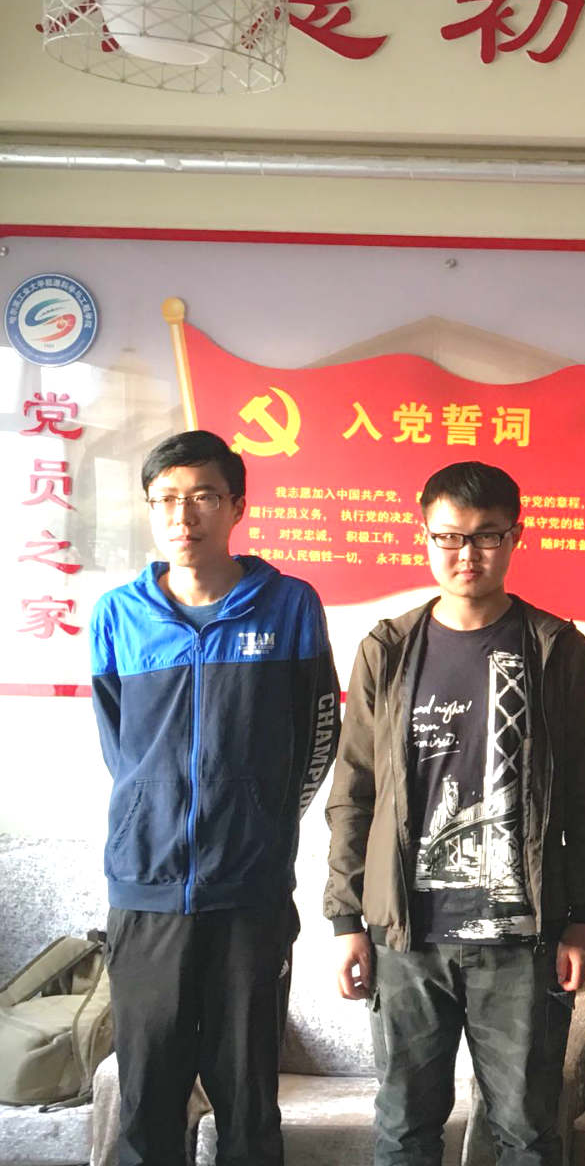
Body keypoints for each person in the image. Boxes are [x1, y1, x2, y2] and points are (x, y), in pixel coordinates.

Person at [323, 461, 585, 1166]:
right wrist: (346, 921)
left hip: (524, 942)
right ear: (423, 534)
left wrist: (583, 915)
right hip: (407, 937)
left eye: (487, 536)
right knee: (404, 1126)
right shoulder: (388, 649)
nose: (467, 554)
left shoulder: (553, 647)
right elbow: (354, 791)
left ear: (517, 536)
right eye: (449, 536)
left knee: (527, 1131)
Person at [90, 430, 340, 1166]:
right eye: (166, 498)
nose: (183, 514)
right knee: (146, 1102)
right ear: (150, 508)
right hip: (146, 888)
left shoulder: (289, 605)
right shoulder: (118, 614)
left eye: (202, 496)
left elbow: (317, 733)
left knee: (249, 1102)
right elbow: (119, 746)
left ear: (236, 506)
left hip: (249, 891)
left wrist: (263, 820)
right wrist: (151, 814)